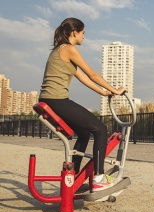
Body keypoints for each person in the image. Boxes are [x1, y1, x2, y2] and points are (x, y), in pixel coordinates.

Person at [39, 17, 126, 192]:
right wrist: (115, 90)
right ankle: (99, 178)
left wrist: (104, 92)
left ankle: (75, 177)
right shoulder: (69, 49)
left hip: (50, 99)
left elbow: (83, 78)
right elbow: (92, 74)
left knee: (85, 133)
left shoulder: (60, 50)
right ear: (74, 33)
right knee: (100, 129)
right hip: (57, 99)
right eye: (83, 33)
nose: (84, 37)